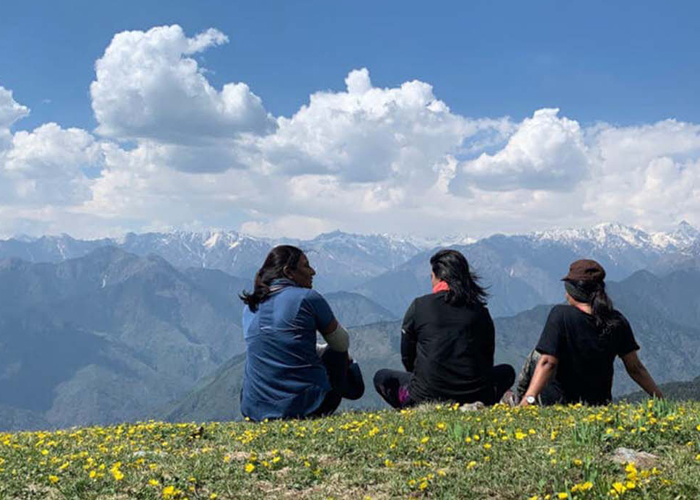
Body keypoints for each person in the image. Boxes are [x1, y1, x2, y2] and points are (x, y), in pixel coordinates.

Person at [374, 249, 515, 409]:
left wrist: (420, 376)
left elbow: (407, 354)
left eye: (431, 276)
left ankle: (414, 407)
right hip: (477, 394)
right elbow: (487, 356)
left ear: (439, 276)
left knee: (381, 377)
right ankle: (488, 401)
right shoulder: (480, 311)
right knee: (507, 372)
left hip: (425, 395)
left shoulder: (419, 306)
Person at [239, 245, 364, 421]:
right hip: (308, 406)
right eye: (306, 266)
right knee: (337, 353)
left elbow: (279, 343)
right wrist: (327, 353)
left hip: (253, 410)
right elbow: (341, 343)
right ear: (289, 272)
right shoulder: (307, 298)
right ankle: (351, 389)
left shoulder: (250, 306)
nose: (313, 272)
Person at [517, 259, 663, 407]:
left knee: (537, 354)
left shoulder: (561, 315)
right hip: (599, 404)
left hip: (559, 403)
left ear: (571, 291)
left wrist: (529, 398)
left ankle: (520, 400)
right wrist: (660, 398)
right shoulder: (617, 320)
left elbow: (548, 362)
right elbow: (635, 368)